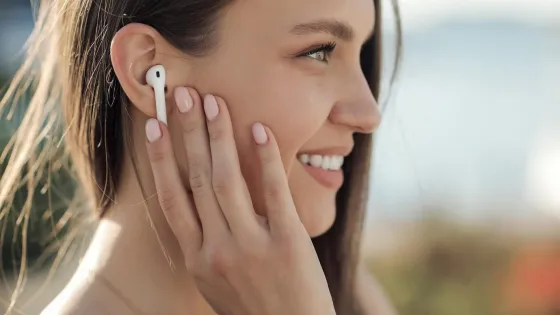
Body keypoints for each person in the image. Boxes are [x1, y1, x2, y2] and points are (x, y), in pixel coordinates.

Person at [0, 0, 401, 314]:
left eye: (360, 54)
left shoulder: (345, 296)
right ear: (148, 71)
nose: (368, 114)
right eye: (319, 52)